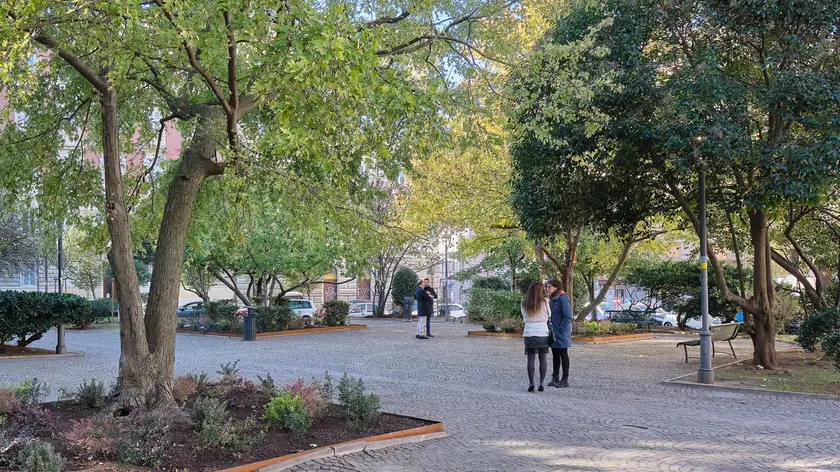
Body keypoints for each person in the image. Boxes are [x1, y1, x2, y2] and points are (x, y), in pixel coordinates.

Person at [521, 282, 551, 392]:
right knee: (543, 358)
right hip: (542, 332)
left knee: (530, 358)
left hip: (529, 332)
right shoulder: (545, 302)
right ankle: (541, 382)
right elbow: (550, 315)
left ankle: (531, 382)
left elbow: (524, 316)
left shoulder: (524, 302)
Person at [546, 279, 572, 388]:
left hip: (561, 332)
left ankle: (564, 379)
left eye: (549, 286)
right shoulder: (551, 299)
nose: (547, 288)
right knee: (555, 355)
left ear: (556, 287)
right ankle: (555, 377)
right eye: (546, 286)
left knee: (563, 354)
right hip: (552, 331)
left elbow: (568, 316)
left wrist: (561, 330)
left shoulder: (562, 298)